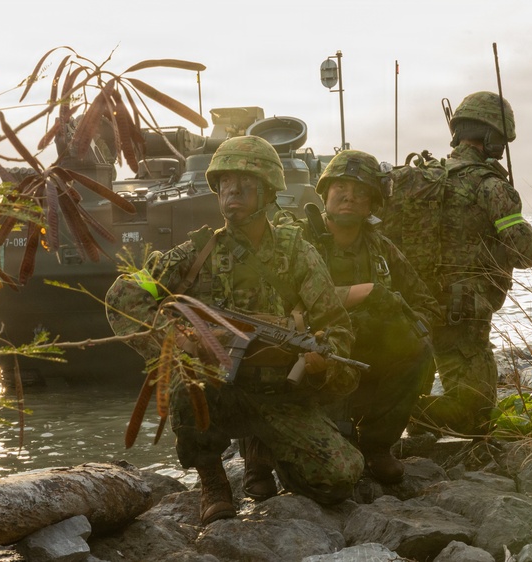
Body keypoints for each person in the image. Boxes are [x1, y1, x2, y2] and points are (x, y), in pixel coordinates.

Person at [105, 136, 363, 525]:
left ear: (269, 192)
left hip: (281, 394)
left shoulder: (297, 252)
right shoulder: (198, 252)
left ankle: (265, 451)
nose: (232, 192)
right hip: (219, 391)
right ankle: (213, 480)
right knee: (185, 380)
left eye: (245, 184)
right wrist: (179, 339)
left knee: (339, 478)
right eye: (225, 183)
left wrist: (322, 360)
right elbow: (123, 293)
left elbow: (335, 325)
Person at [381, 91, 532, 438]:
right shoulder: (491, 187)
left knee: (407, 383)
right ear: (491, 138)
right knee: (476, 416)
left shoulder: (414, 179)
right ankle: (412, 415)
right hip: (462, 321)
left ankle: (392, 414)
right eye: (501, 141)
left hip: (409, 314)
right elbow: (526, 253)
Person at [275, 149, 440, 485]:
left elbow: (426, 306)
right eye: (341, 188)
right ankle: (264, 456)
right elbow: (278, 302)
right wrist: (362, 293)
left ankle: (377, 445)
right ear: (325, 194)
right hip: (308, 359)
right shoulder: (295, 241)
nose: (349, 198)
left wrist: (406, 329)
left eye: (360, 192)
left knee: (416, 345)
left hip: (363, 363)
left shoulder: (381, 249)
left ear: (372, 205)